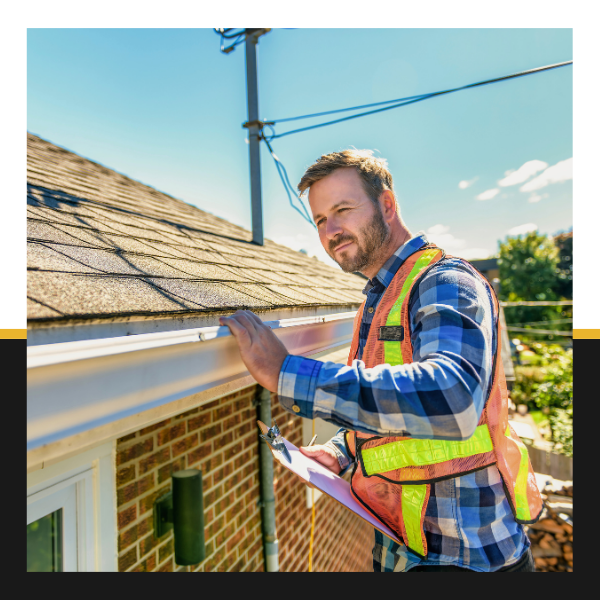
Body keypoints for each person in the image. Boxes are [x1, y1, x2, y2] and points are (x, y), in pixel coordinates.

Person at [219, 149, 541, 572]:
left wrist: (286, 374)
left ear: (387, 205)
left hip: (469, 561)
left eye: (342, 209)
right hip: (404, 552)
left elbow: (453, 399)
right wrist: (341, 450)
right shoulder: (380, 298)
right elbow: (397, 415)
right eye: (319, 220)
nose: (330, 230)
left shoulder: (443, 281)